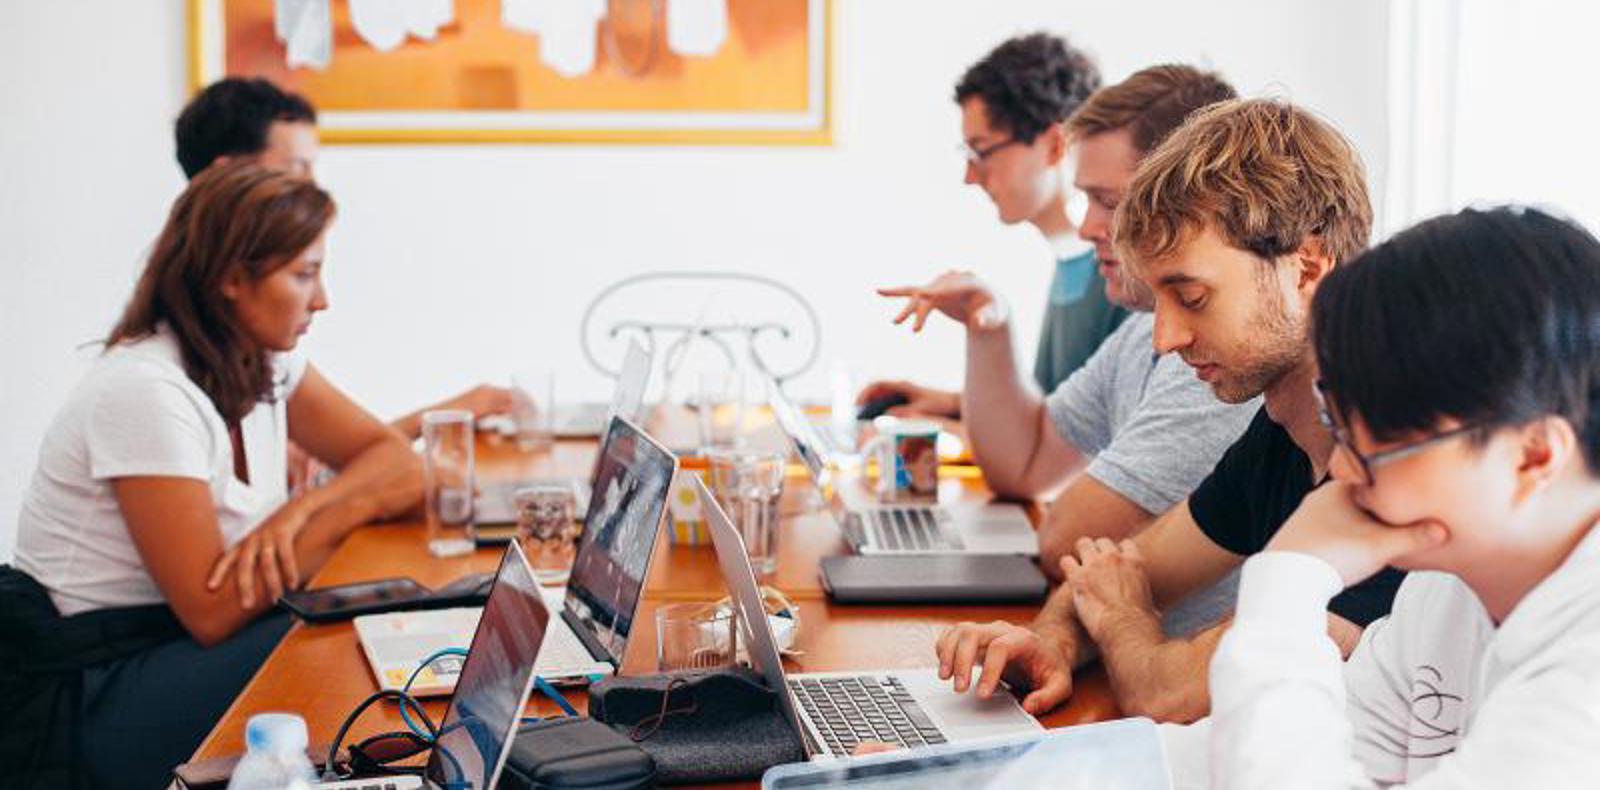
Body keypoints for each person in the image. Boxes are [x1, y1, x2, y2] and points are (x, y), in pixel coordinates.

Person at [935, 97, 1404, 723]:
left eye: (1192, 297)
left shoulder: (1394, 471)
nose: (1165, 338)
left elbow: (1172, 693)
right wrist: (1051, 641)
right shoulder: (1281, 433)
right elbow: (1123, 571)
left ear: (1307, 270)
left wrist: (1126, 619)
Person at [5, 161, 421, 788]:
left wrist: (302, 511)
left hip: (174, 647)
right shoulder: (145, 391)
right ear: (232, 278)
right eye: (304, 273)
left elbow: (399, 464)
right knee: (349, 650)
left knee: (378, 631)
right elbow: (212, 610)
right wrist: (347, 504)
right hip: (97, 684)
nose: (323, 298)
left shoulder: (264, 364)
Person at [1185, 206, 1600, 787]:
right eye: (1338, 422)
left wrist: (1288, 581)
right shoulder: (1451, 586)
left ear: (1533, 456)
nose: (1342, 468)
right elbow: (1301, 751)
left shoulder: (1586, 684)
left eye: (1379, 445)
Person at [882, 65, 1255, 639]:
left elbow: (1063, 543)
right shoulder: (1139, 333)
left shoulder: (1210, 361)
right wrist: (989, 327)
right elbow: (1023, 465)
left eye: (1107, 201)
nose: (1085, 229)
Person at [175, 77, 513, 441]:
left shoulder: (267, 351)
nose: (313, 188)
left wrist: (452, 416)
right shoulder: (172, 368)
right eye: (296, 169)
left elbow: (354, 459)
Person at [857, 32, 1123, 421]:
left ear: (1054, 145)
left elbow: (1091, 445)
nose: (970, 176)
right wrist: (954, 406)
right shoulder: (1071, 263)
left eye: (981, 152)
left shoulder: (1117, 275)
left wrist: (957, 434)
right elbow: (1054, 412)